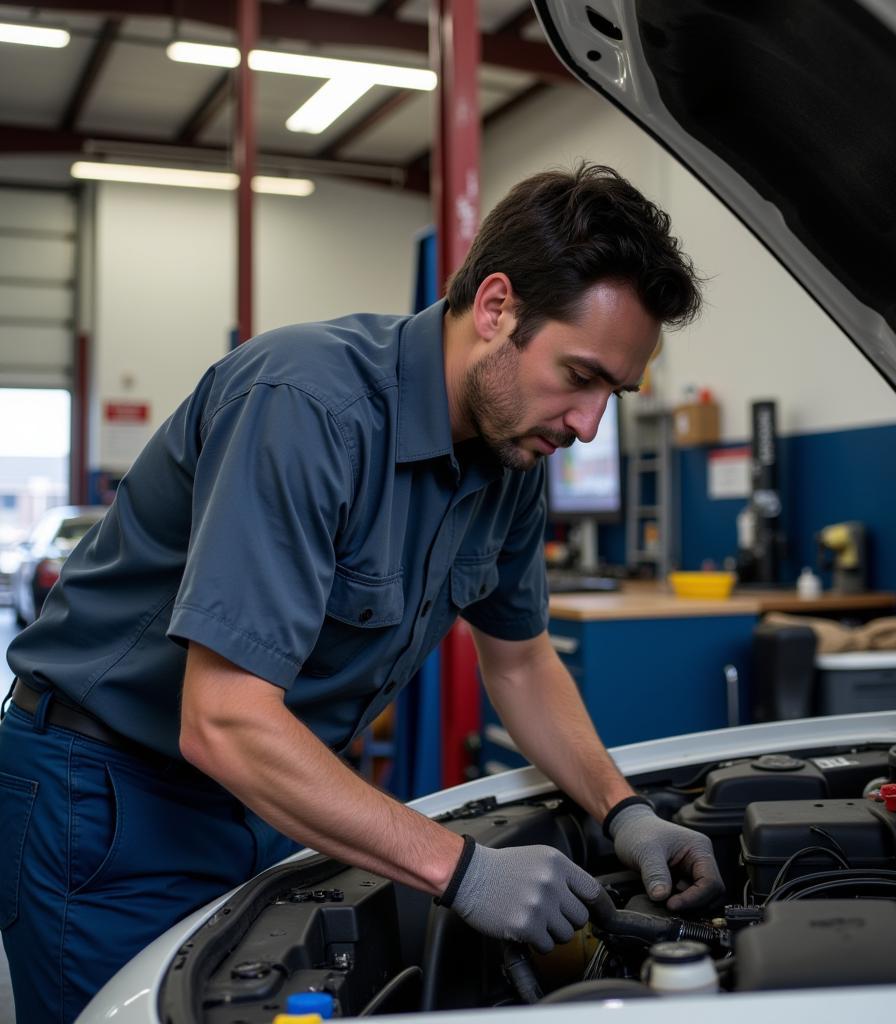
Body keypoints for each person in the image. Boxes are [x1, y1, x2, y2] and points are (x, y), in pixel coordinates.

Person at [0, 163, 724, 1022]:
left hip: (267, 790)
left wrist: (624, 811)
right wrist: (462, 868)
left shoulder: (513, 459)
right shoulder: (307, 405)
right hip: (108, 795)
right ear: (496, 308)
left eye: (615, 391)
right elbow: (223, 715)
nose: (589, 424)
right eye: (580, 375)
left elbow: (523, 663)